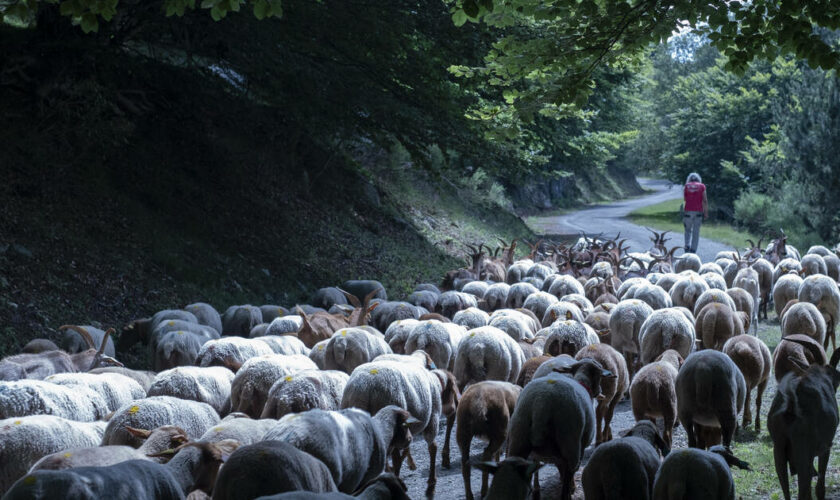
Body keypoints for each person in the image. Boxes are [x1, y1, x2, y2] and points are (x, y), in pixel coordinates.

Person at [683, 172, 707, 253]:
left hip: (688, 212)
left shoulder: (686, 186)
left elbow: (685, 199)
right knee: (696, 231)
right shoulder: (702, 186)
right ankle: (693, 250)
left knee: (687, 230)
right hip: (698, 212)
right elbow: (705, 200)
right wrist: (706, 212)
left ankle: (687, 246)